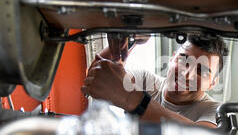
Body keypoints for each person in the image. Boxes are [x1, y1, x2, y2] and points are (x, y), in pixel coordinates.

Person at [81, 35, 228, 128]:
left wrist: (134, 100)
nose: (187, 75)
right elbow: (96, 77)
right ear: (172, 59)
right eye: (184, 60)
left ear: (212, 83)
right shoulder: (146, 81)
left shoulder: (215, 110)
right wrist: (126, 41)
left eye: (201, 71)